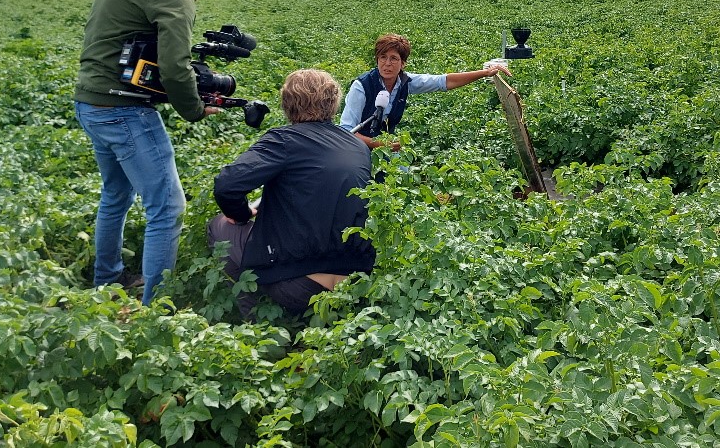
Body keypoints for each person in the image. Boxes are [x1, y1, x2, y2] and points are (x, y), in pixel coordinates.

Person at [74, 0, 225, 305]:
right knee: (168, 206)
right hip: (123, 109)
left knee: (116, 194)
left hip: (90, 101)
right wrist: (193, 108)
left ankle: (106, 281)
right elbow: (176, 67)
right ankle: (155, 311)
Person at [208, 69, 373, 320]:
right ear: (333, 102)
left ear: (287, 103)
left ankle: (252, 319)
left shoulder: (284, 140)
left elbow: (226, 186)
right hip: (355, 281)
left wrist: (241, 214)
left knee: (219, 227)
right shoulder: (358, 145)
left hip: (297, 286)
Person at [339, 33, 511, 150]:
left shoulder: (405, 82)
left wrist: (484, 73)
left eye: (394, 59)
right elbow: (346, 131)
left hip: (384, 149)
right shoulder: (361, 86)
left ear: (403, 63)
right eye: (383, 58)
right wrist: (379, 144)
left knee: (400, 175)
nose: (387, 64)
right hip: (356, 149)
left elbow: (442, 81)